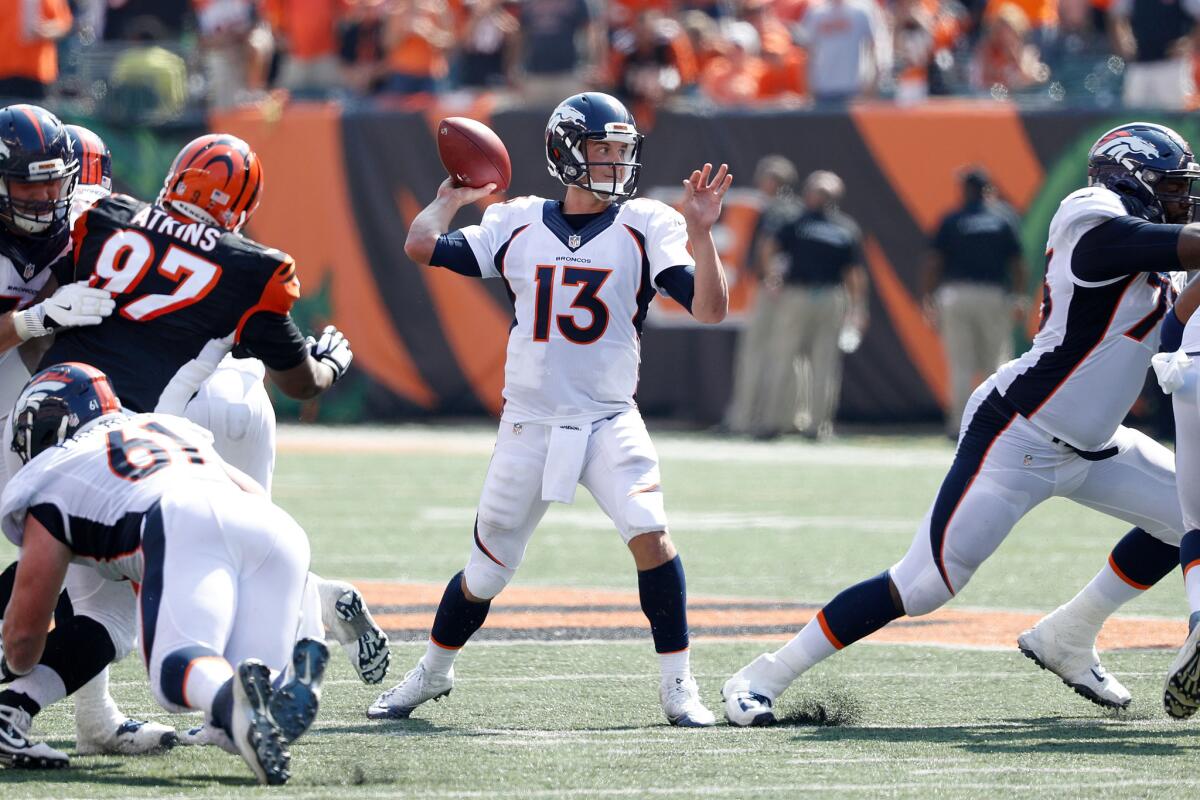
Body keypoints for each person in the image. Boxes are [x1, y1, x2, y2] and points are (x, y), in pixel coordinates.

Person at [723, 121, 1200, 726]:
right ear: (1127, 178)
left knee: (1189, 517)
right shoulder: (1091, 212)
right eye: (1171, 186)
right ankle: (762, 676)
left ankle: (1069, 633)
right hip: (1020, 432)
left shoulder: (1162, 253)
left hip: (1096, 443)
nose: (1182, 199)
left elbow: (1173, 321)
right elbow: (1163, 244)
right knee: (924, 585)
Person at [0, 131, 382, 767]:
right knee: (127, 600)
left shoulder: (103, 216)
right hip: (141, 437)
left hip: (50, 408)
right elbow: (298, 381)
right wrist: (330, 366)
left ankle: (23, 706)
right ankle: (294, 628)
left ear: (174, 180)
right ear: (242, 208)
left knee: (91, 584)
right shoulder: (254, 269)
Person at [368, 91, 731, 727]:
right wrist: (452, 196)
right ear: (565, 151)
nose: (616, 164)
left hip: (609, 419)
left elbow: (710, 310)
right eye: (602, 150)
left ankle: (679, 687)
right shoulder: (517, 221)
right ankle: (431, 671)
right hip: (530, 422)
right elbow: (421, 245)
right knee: (485, 572)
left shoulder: (648, 222)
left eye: (622, 151)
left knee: (651, 536)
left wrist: (702, 236)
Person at [0, 362, 328, 784]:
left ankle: (230, 697)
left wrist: (14, 661)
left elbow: (24, 638)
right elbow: (251, 494)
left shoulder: (53, 474)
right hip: (275, 529)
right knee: (238, 703)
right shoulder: (164, 427)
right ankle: (296, 652)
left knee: (178, 673)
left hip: (181, 519)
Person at [0, 108, 186, 763]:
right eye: (26, 186)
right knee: (77, 568)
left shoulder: (85, 215)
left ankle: (90, 717)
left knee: (84, 572)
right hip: (9, 413)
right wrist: (34, 320)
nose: (43, 199)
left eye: (53, 184)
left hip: (32, 416)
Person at [755, 170, 867, 441]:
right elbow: (769, 246)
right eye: (817, 191)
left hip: (830, 296)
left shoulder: (844, 227)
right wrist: (771, 275)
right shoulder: (793, 221)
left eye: (826, 193)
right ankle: (772, 422)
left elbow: (854, 273)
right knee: (782, 358)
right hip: (796, 294)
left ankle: (819, 426)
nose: (820, 197)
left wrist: (857, 307)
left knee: (824, 363)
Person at [921, 167, 1027, 438]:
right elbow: (1017, 264)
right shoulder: (1003, 217)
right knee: (996, 363)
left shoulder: (953, 219)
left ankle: (958, 425)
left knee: (960, 365)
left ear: (965, 189)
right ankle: (997, 424)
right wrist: (1019, 296)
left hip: (956, 294)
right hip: (993, 295)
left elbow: (935, 262)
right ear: (988, 189)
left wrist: (928, 297)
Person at [724, 154, 799, 436]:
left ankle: (746, 418)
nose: (759, 183)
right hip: (789, 289)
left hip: (774, 289)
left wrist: (770, 278)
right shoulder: (794, 208)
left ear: (775, 182)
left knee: (756, 354)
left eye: (764, 178)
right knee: (784, 355)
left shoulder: (778, 211)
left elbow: (771, 248)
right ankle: (781, 417)